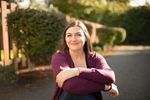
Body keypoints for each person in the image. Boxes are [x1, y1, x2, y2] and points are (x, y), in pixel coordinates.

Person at [51, 20, 119, 100]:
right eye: (69, 35)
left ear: (86, 38)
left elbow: (110, 77)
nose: (73, 39)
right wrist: (105, 87)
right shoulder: (59, 57)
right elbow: (70, 85)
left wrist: (77, 71)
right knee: (73, 92)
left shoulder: (95, 57)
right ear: (65, 39)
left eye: (78, 35)